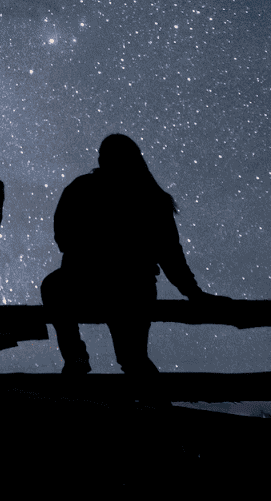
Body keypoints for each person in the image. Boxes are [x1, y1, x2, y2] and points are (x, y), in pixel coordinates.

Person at [41, 134, 229, 375]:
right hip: (132, 287)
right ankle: (79, 360)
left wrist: (193, 292)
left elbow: (64, 237)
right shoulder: (149, 197)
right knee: (133, 358)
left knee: (55, 288)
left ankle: (76, 359)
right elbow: (170, 253)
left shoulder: (86, 189)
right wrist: (193, 292)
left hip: (115, 285)